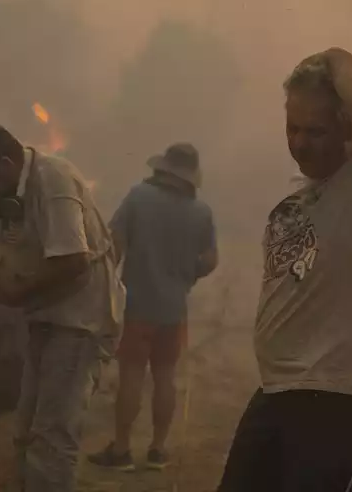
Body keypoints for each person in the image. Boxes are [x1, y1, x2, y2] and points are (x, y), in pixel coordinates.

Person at [217, 48, 352, 492]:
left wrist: (331, 57)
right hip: (277, 391)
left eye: (316, 131)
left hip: (341, 397)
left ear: (349, 133)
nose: (300, 142)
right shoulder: (297, 199)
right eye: (293, 128)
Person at [0, 120, 125, 492]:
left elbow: (73, 260)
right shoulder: (4, 188)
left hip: (80, 321)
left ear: (5, 163)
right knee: (26, 431)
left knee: (52, 435)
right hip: (44, 315)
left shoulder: (54, 180)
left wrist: (17, 292)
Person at [88, 143, 219, 472]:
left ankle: (121, 450)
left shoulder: (138, 197)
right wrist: (187, 274)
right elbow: (210, 260)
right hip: (174, 310)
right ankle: (158, 450)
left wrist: (106, 289)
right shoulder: (201, 211)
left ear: (163, 168)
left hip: (137, 306)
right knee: (165, 377)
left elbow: (113, 246)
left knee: (131, 375)